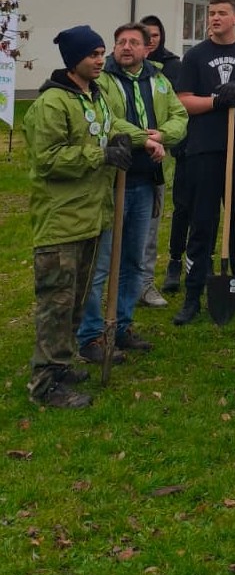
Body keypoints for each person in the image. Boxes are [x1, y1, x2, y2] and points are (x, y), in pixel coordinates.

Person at [22, 26, 148, 407]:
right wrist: (101, 155)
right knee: (56, 305)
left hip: (91, 218)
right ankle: (44, 385)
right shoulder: (52, 103)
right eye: (93, 54)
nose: (100, 60)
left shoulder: (95, 97)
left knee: (75, 302)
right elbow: (47, 159)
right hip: (61, 222)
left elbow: (106, 129)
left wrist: (128, 139)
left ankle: (61, 365)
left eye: (100, 53)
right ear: (73, 59)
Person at [76, 23, 186, 363]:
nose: (126, 47)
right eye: (120, 41)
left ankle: (120, 325)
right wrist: (145, 139)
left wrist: (162, 135)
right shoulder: (102, 81)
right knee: (102, 263)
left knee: (133, 260)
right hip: (111, 182)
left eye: (133, 42)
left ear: (146, 48)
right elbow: (108, 121)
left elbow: (180, 116)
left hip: (145, 181)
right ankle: (91, 335)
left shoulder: (159, 80)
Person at [173, 0, 235, 325]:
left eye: (221, 13)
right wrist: (216, 102)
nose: (215, 18)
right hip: (204, 149)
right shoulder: (196, 56)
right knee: (202, 223)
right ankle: (192, 296)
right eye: (211, 13)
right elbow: (183, 101)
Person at [138, 15, 185, 308]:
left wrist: (164, 135)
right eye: (146, 36)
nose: (151, 41)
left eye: (155, 35)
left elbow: (178, 112)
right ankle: (121, 284)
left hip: (157, 160)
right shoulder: (112, 76)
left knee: (150, 226)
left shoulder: (165, 73)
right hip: (122, 160)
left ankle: (144, 283)